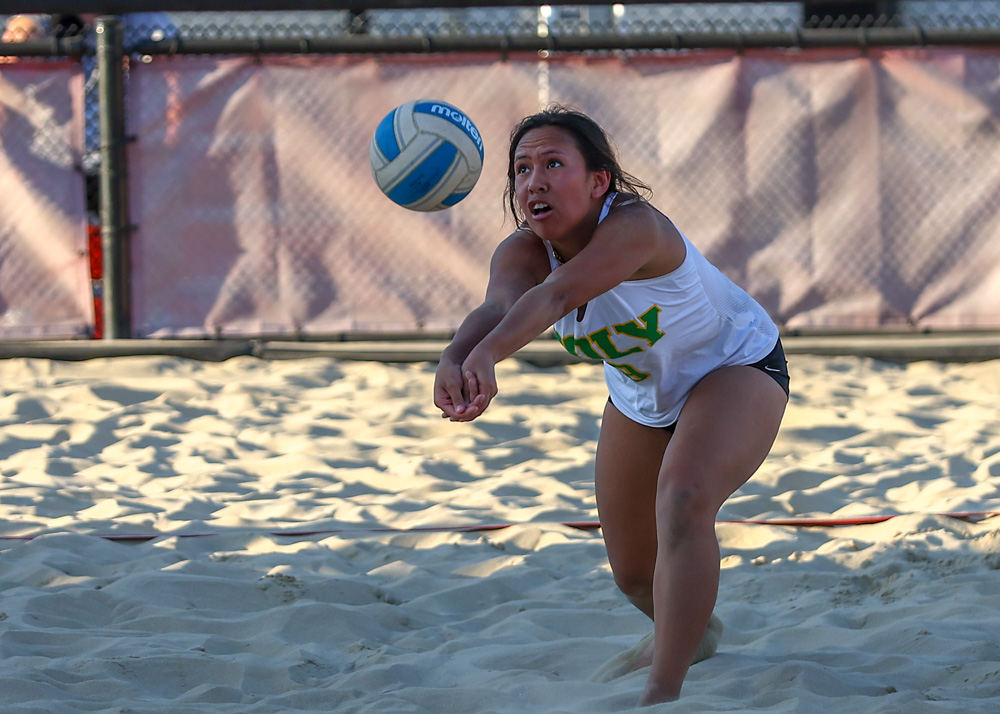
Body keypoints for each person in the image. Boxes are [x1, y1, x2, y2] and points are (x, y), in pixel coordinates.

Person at [433, 106, 789, 705]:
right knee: (632, 573)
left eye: (553, 164)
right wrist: (455, 356)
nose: (534, 182)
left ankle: (662, 691)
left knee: (683, 499)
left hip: (734, 365)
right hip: (640, 395)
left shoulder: (636, 227)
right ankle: (695, 631)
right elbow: (497, 308)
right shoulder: (522, 252)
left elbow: (558, 296)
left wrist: (488, 354)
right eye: (522, 170)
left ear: (599, 181)